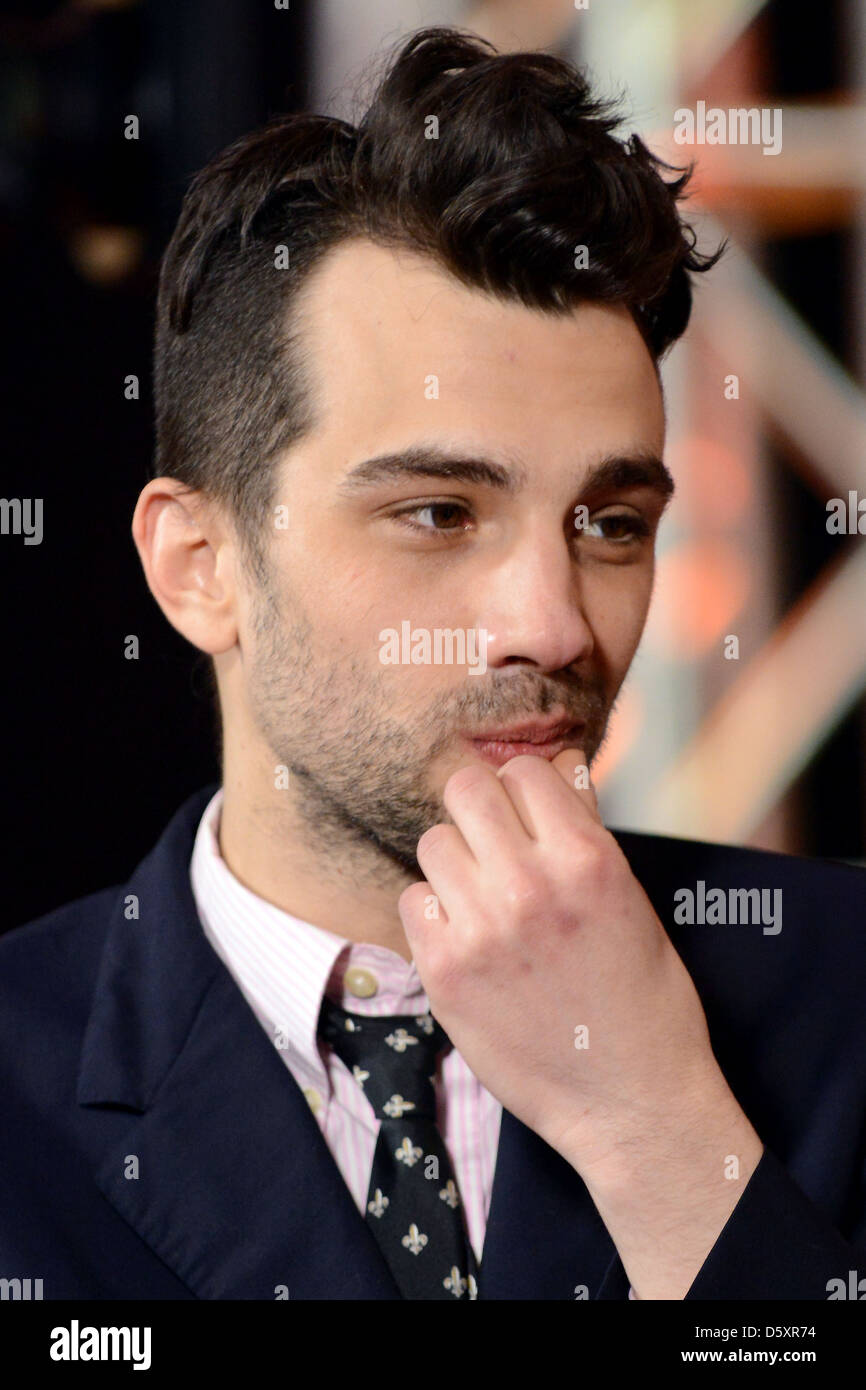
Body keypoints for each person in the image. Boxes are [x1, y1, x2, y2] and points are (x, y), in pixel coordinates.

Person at [2, 26, 865, 1303]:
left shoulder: (840, 994)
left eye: (608, 524)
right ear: (198, 565)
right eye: (439, 514)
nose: (554, 624)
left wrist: (655, 1130)